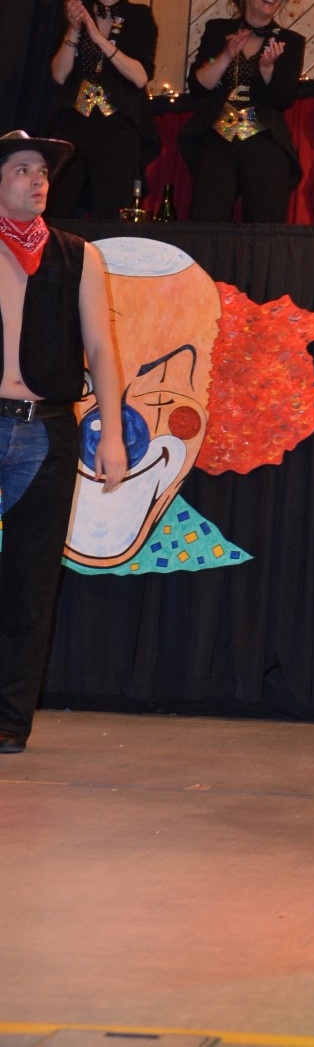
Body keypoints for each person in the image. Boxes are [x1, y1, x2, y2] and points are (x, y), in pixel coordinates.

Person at [0, 131, 126, 753]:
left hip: (46, 428)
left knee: (29, 581)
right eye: (23, 169)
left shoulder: (78, 256)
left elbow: (101, 347)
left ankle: (8, 719)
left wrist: (112, 435)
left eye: (43, 171)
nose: (37, 179)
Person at [183, 0, 305, 224]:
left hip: (265, 139)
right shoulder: (218, 30)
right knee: (206, 218)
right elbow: (198, 86)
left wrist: (267, 70)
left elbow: (283, 99)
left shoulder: (290, 42)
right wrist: (226, 55)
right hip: (217, 136)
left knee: (265, 222)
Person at [47, 0, 159, 219]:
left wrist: (99, 39)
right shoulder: (76, 13)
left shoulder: (139, 17)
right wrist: (74, 30)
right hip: (74, 122)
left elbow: (139, 77)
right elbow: (59, 75)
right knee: (57, 205)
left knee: (111, 210)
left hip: (118, 125)